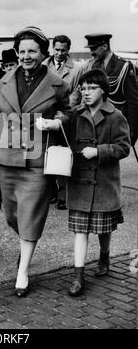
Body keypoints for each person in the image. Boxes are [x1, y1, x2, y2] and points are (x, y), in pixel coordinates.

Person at [0, 26, 70, 297]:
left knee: (30, 214)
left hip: (36, 160)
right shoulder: (5, 81)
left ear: (43, 53)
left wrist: (56, 122)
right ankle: (25, 246)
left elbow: (68, 113)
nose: (25, 56)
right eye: (22, 51)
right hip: (7, 158)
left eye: (32, 51)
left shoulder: (58, 84)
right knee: (12, 214)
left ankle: (23, 271)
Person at [67, 69, 130, 296]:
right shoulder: (75, 114)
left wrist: (99, 151)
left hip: (104, 183)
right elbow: (63, 127)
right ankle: (78, 276)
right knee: (80, 231)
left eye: (91, 88)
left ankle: (104, 255)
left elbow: (124, 147)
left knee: (104, 228)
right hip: (81, 181)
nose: (86, 92)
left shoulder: (116, 116)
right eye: (83, 88)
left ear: (104, 90)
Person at [78, 33, 138, 146]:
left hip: (116, 123)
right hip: (96, 123)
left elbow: (133, 102)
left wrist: (133, 131)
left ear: (105, 46)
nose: (91, 52)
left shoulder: (124, 66)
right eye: (90, 48)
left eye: (94, 48)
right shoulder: (94, 66)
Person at [44, 35, 82, 210]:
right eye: (56, 49)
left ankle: (63, 195)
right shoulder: (44, 66)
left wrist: (60, 118)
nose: (59, 53)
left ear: (68, 50)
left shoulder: (76, 70)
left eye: (63, 50)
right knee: (46, 154)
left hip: (65, 120)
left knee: (63, 156)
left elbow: (74, 97)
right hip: (45, 118)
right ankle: (50, 192)